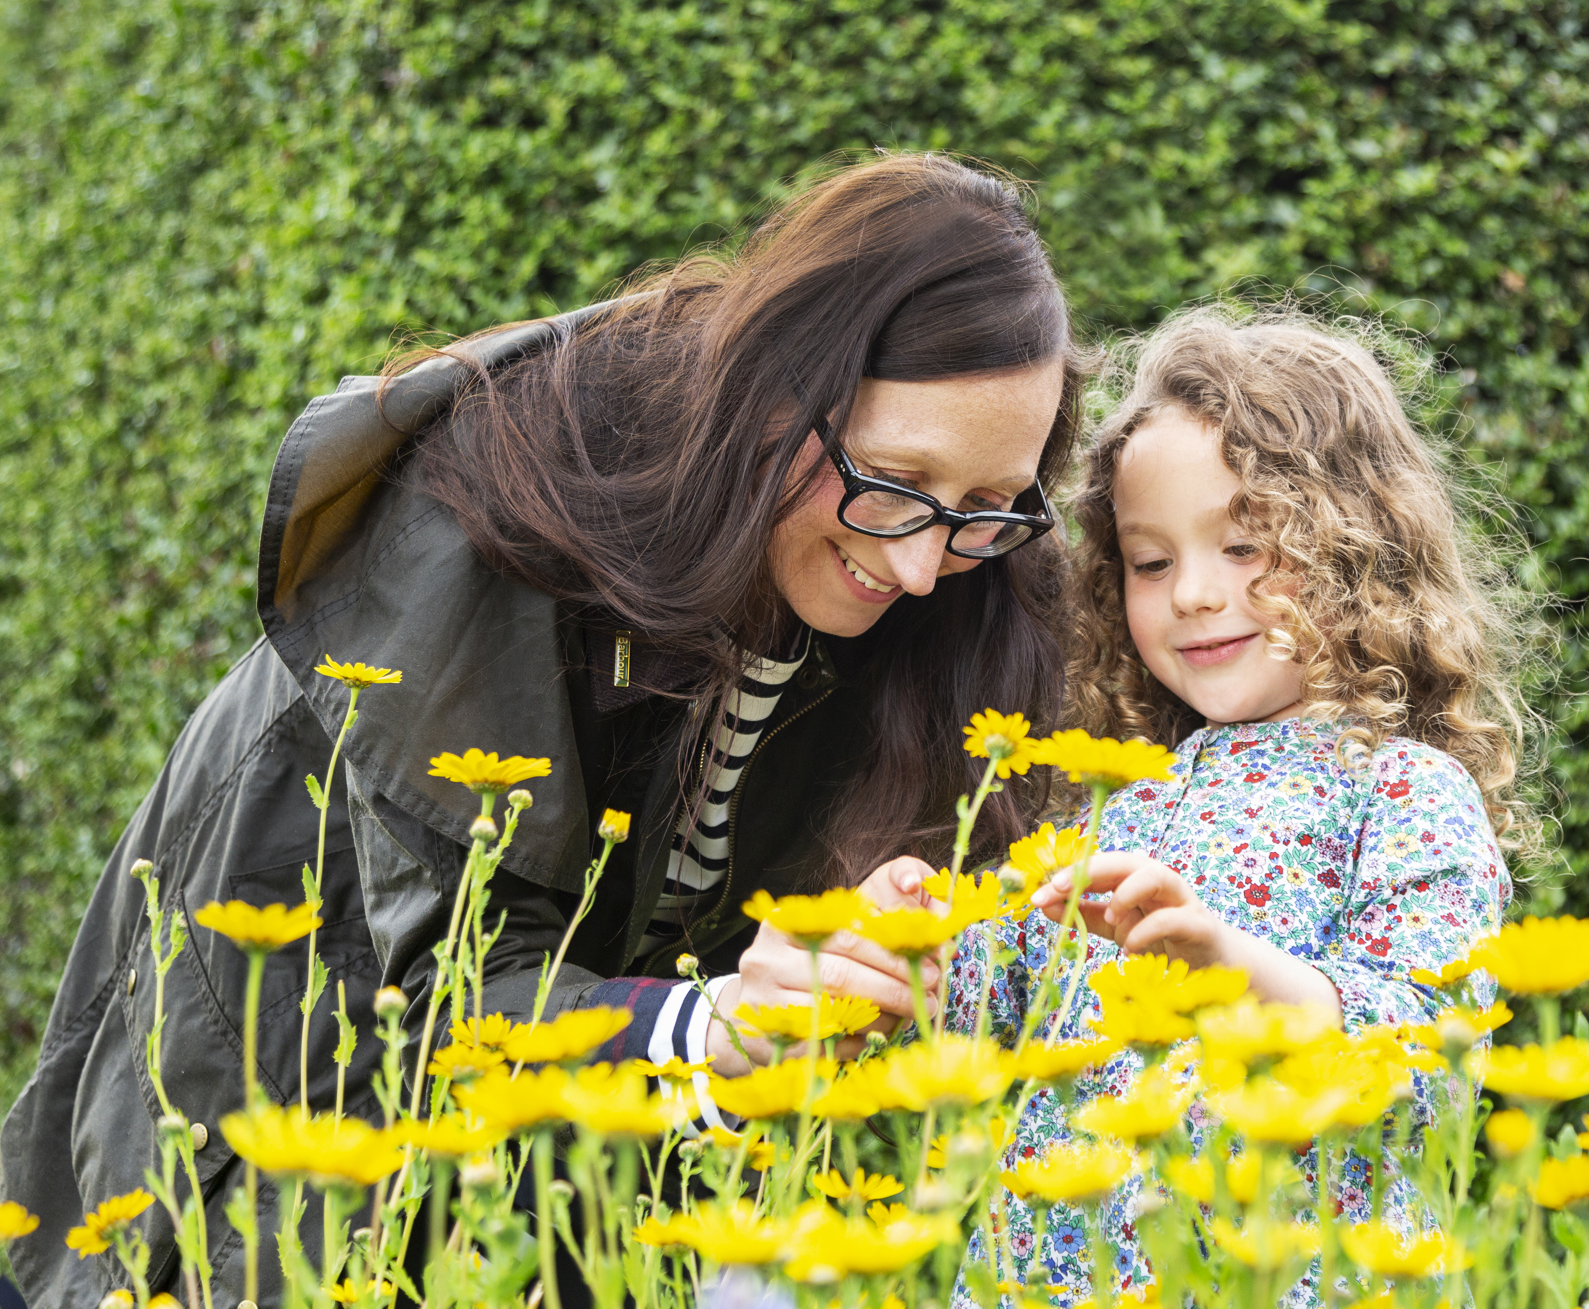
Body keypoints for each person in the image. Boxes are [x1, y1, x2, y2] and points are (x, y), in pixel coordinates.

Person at [0, 153, 1085, 1305]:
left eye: (981, 508)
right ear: (777, 390)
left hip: (528, 1205)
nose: (922, 564)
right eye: (897, 480)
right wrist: (712, 1024)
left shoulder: (959, 593)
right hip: (240, 1172)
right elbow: (441, 992)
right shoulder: (496, 518)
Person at [940, 304, 1539, 1304]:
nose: (1192, 595)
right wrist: (928, 941)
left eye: (1246, 546)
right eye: (1150, 560)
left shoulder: (1399, 791)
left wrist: (1238, 973)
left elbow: (1428, 1062)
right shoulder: (1115, 797)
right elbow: (1001, 1018)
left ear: (1359, 546)